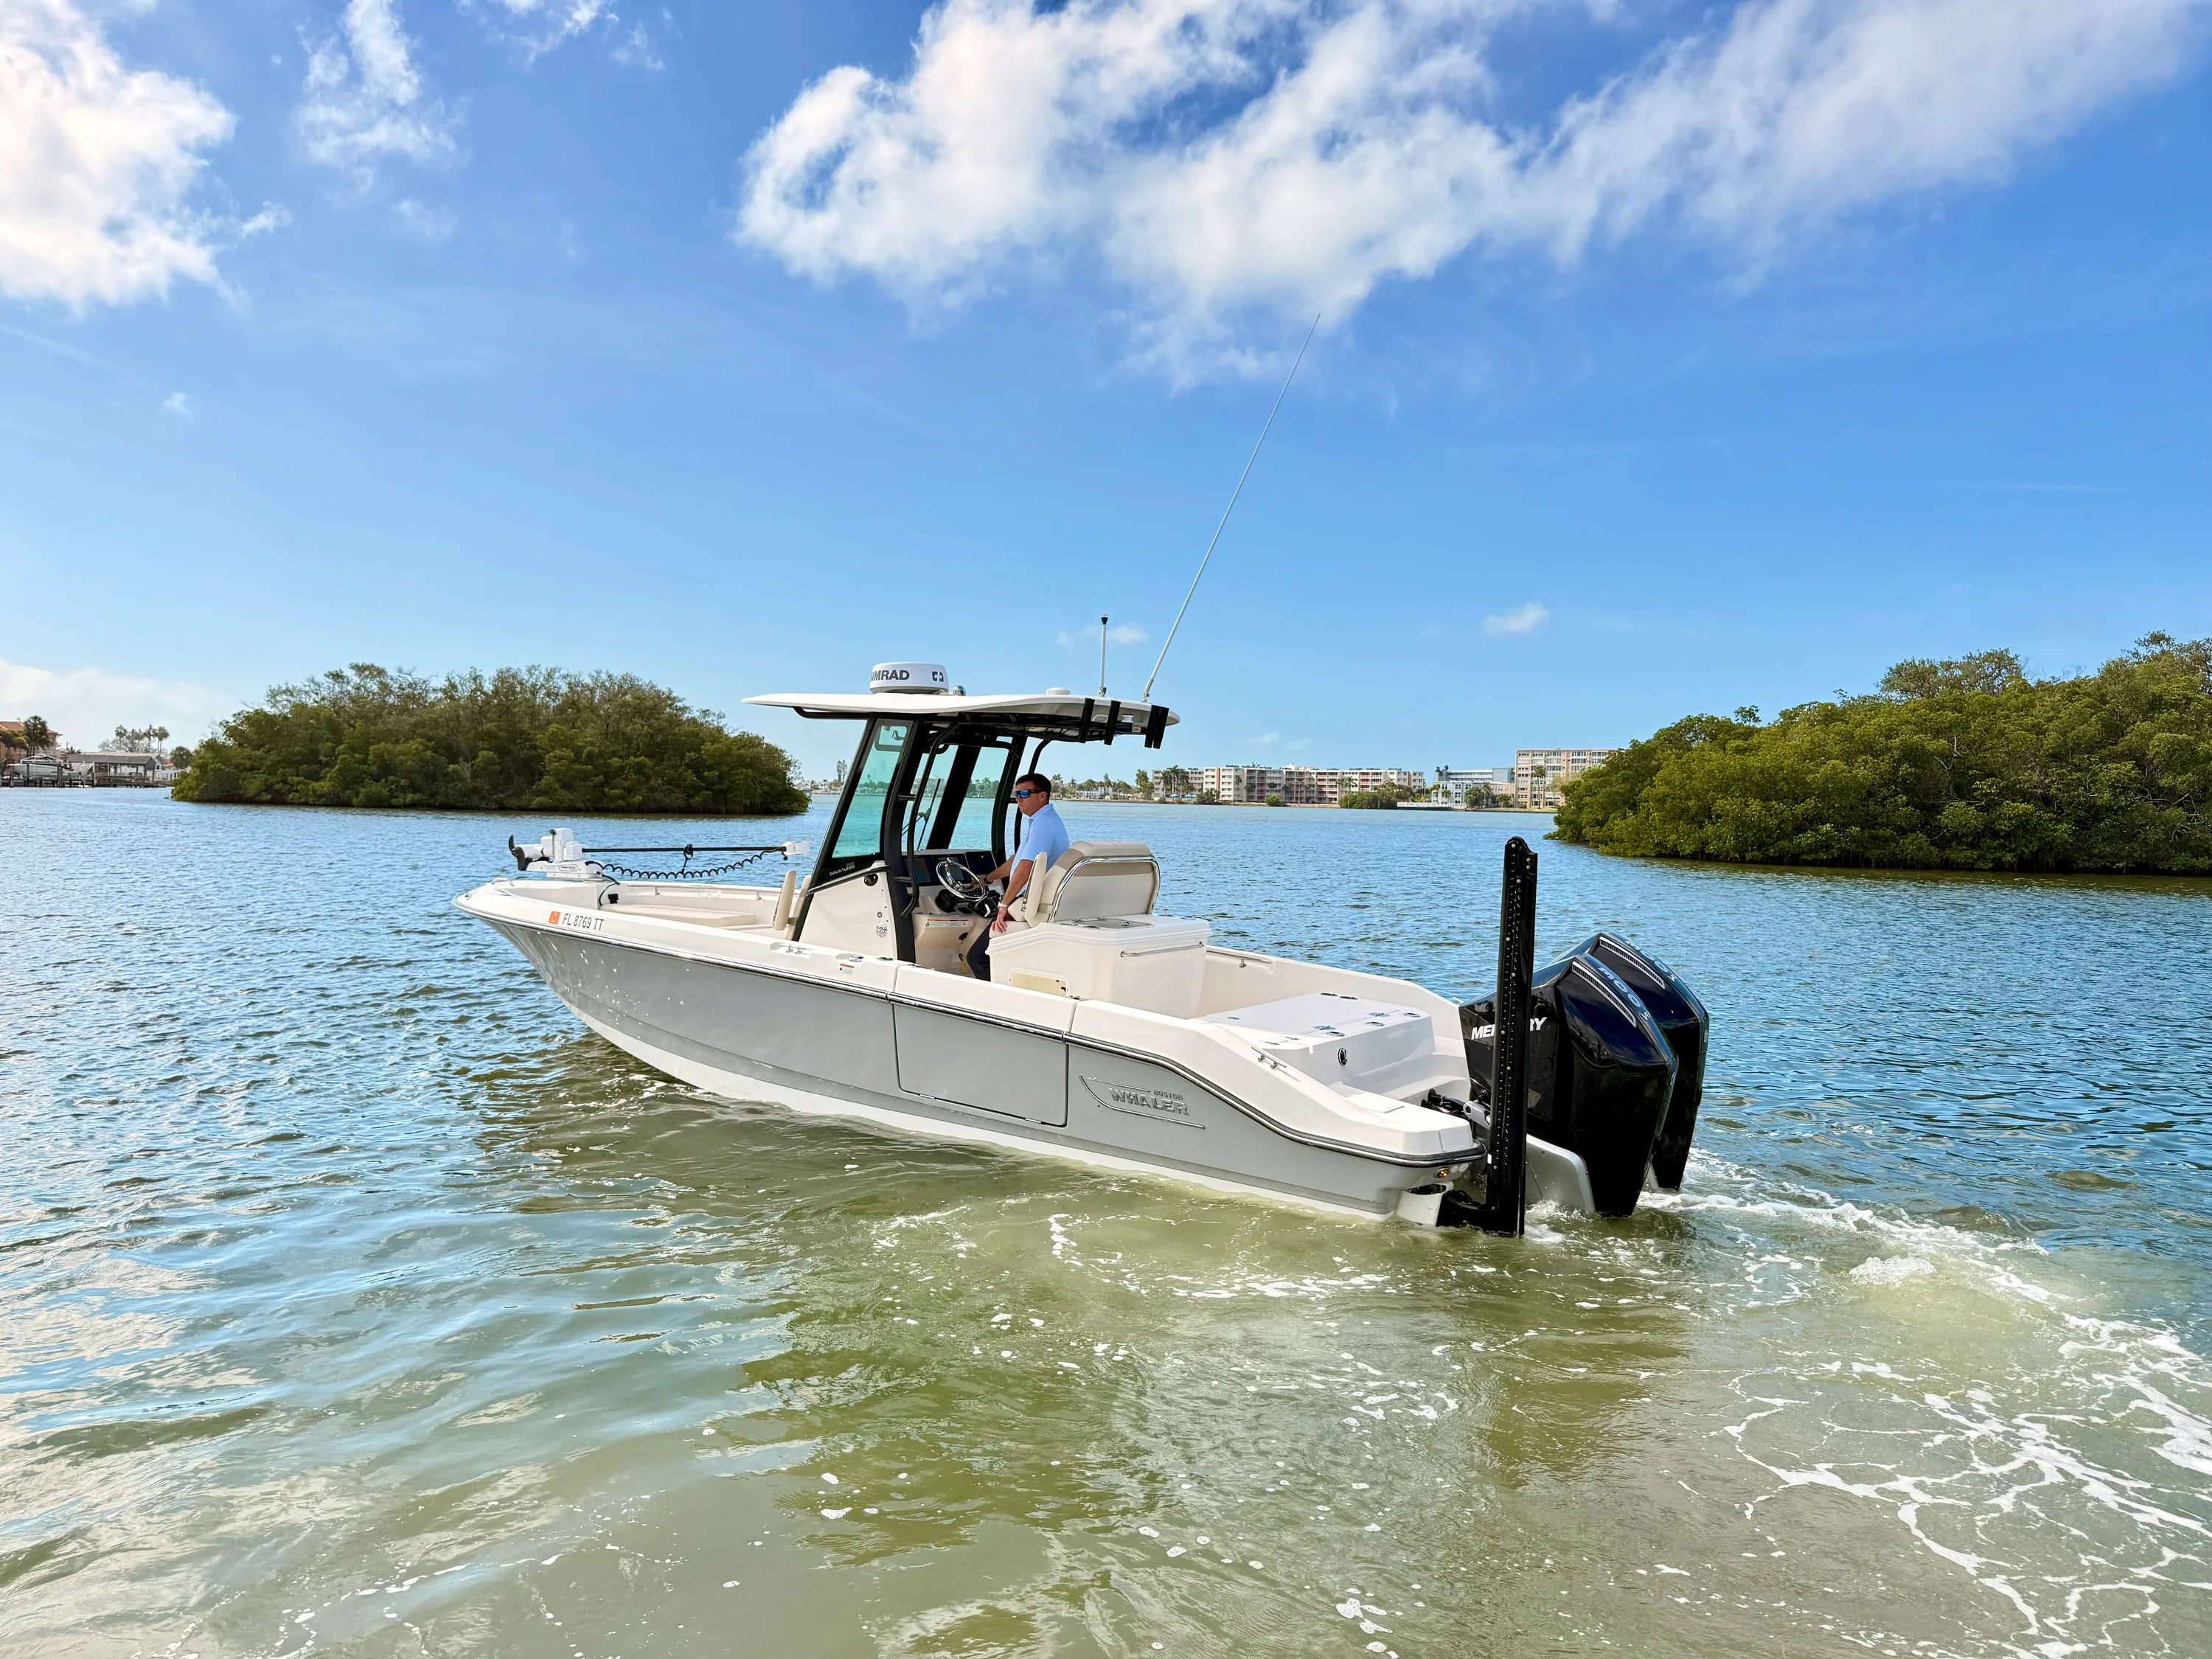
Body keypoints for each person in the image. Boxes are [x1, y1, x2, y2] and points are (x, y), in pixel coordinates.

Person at [965, 773, 1068, 981]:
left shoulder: (1042, 825)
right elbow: (1018, 860)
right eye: (1016, 794)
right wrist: (987, 879)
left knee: (978, 957)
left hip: (1023, 905)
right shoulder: (1044, 821)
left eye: (1024, 793)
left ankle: (995, 1004)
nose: (1018, 799)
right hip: (1032, 903)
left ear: (1042, 796)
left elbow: (1025, 867)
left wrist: (1003, 907)